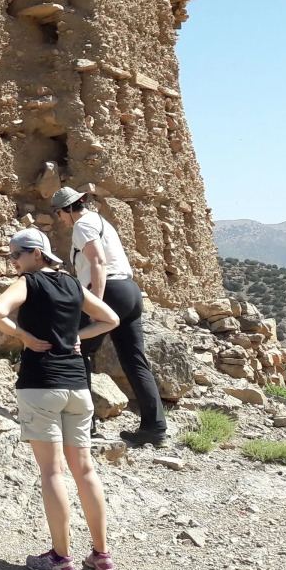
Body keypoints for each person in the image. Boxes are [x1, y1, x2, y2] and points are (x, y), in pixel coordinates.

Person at [0, 227, 120, 570]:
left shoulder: (29, 283)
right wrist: (77, 335)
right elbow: (110, 319)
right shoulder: (73, 283)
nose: (13, 261)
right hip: (77, 386)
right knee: (85, 470)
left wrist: (24, 336)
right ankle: (102, 556)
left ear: (36, 254)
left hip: (41, 385)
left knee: (52, 472)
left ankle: (61, 558)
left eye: (16, 254)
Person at [50, 185, 167, 447]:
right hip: (129, 291)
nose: (60, 219)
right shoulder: (100, 221)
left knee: (76, 349)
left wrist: (97, 305)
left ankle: (83, 426)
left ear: (68, 209)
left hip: (109, 291)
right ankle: (155, 427)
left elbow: (98, 263)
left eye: (59, 213)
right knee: (134, 360)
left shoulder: (82, 226)